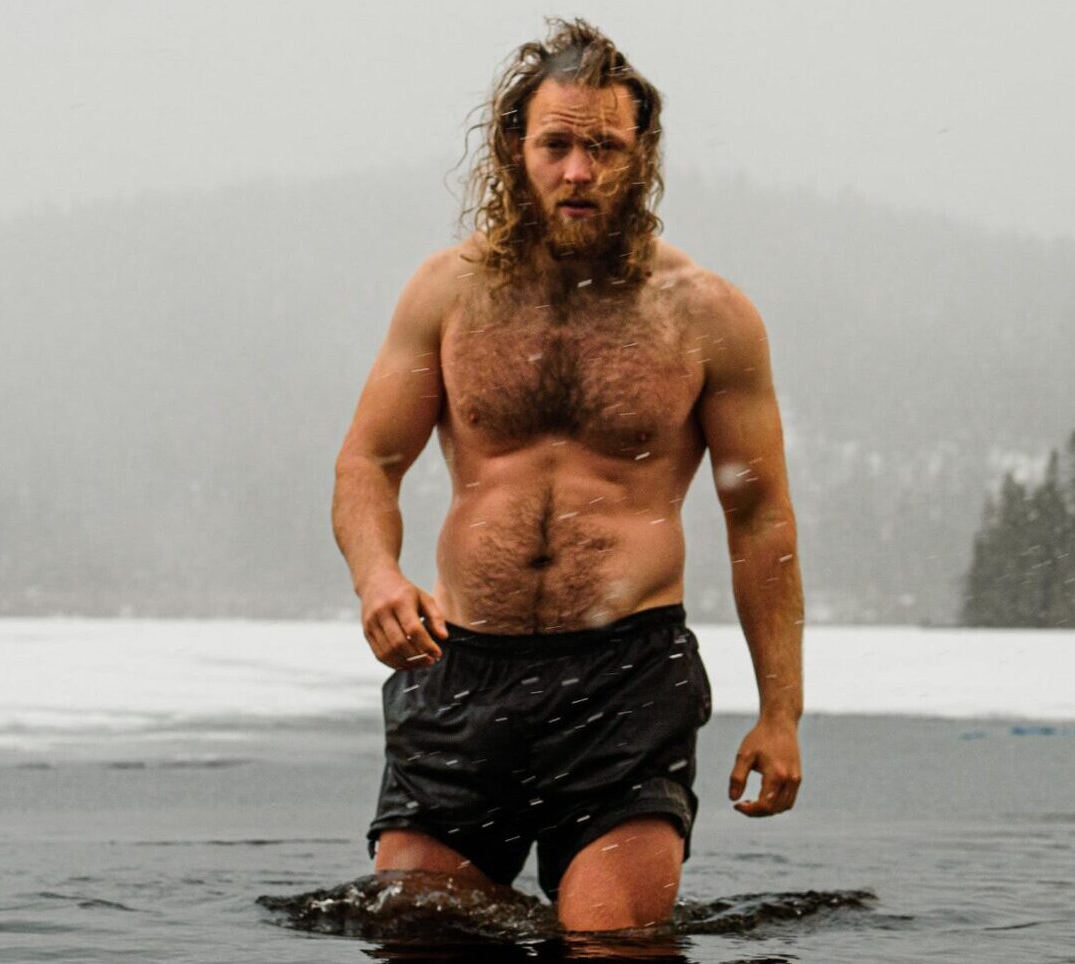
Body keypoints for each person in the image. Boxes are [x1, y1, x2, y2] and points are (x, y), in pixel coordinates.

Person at [331, 18, 803, 933]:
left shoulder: (707, 315)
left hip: (626, 678)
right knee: (420, 932)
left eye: (604, 147)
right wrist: (377, 577)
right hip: (460, 670)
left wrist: (780, 712)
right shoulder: (447, 294)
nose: (579, 172)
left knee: (608, 943)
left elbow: (760, 520)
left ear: (642, 154)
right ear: (517, 148)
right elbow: (368, 463)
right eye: (556, 145)